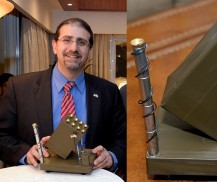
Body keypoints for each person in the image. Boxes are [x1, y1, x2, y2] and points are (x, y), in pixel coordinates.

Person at [0, 18, 126, 173]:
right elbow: (2, 135)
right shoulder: (19, 87)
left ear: (90, 50)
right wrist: (25, 154)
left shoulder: (109, 92)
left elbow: (122, 139)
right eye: (67, 40)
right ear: (54, 46)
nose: (74, 48)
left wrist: (111, 156)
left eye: (81, 42)